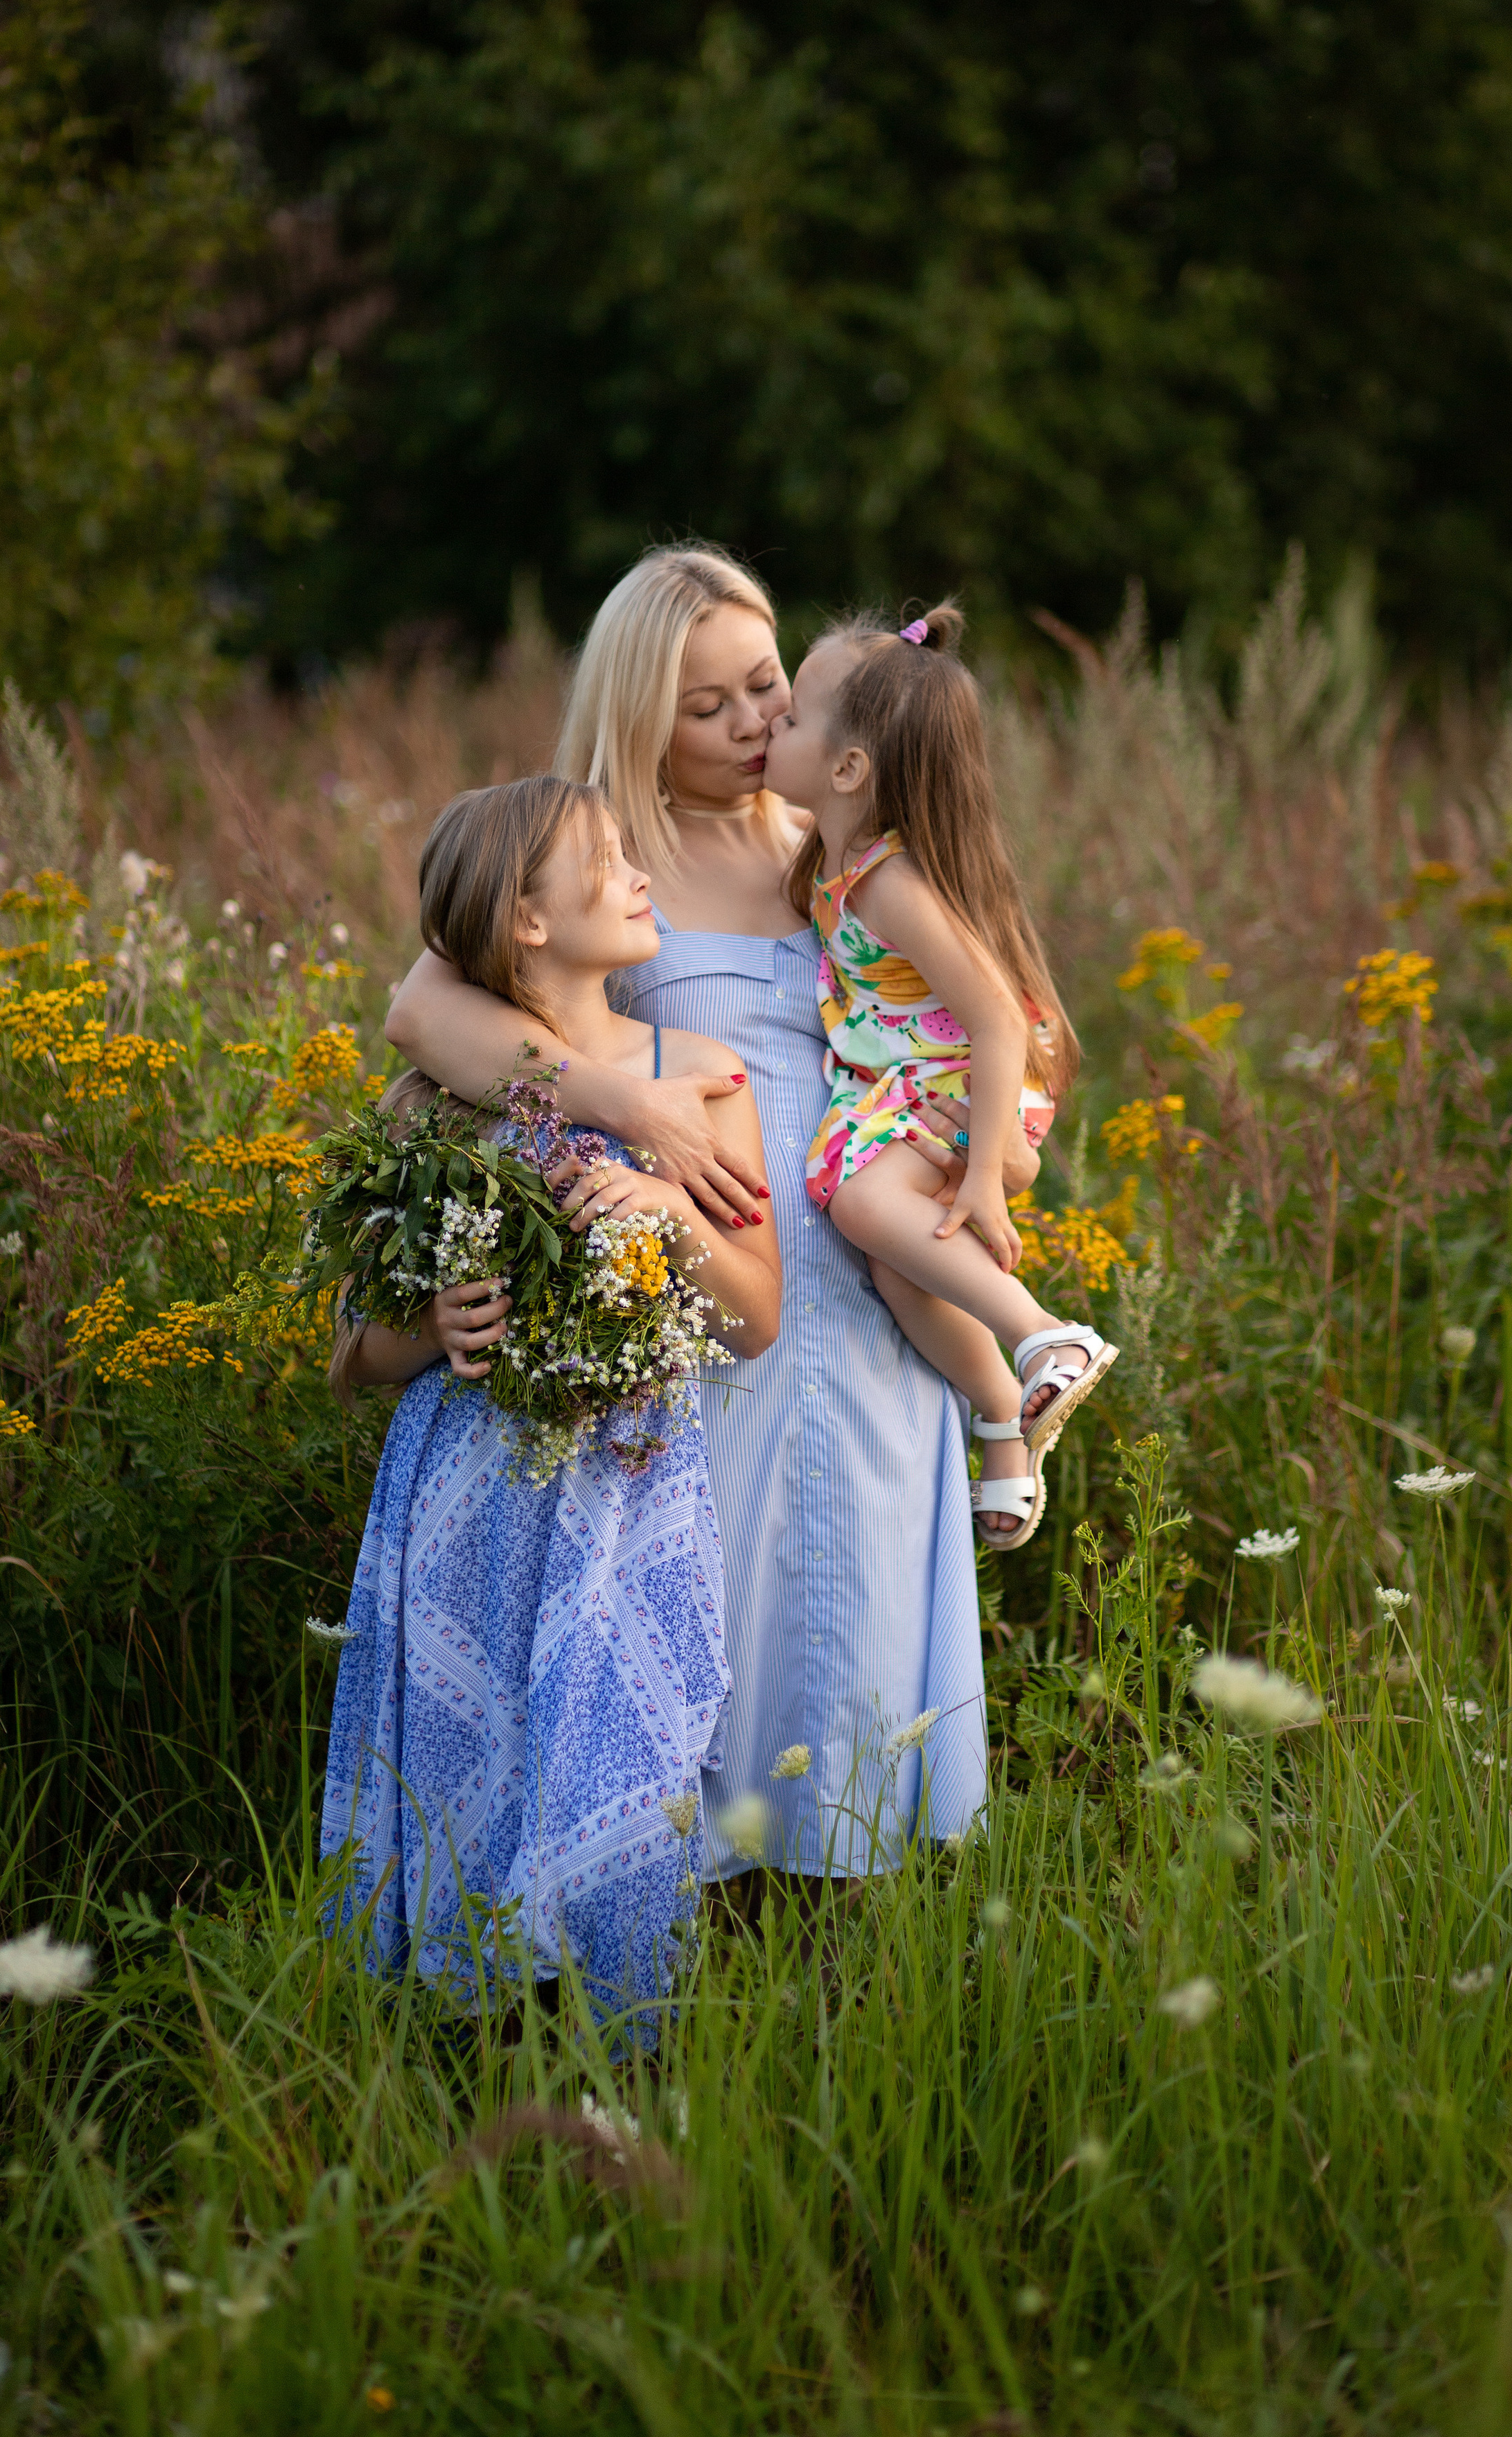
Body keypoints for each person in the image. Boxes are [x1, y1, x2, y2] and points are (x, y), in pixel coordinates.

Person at [385, 546, 1039, 1873]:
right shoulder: (594, 856)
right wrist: (623, 1103)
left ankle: (841, 1970)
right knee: (710, 1633)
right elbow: (423, 1011)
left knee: (845, 1642)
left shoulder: (833, 844)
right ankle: (681, 1943)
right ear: (639, 716)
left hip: (863, 1286)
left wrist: (991, 1146)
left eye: (769, 690)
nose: (754, 726)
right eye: (710, 707)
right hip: (705, 1301)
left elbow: (992, 1001)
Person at [322, 773, 779, 2024]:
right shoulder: (434, 1102)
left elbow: (755, 1319)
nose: (640, 874)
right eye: (607, 857)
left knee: (629, 1765)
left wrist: (674, 1211)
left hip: (627, 1491)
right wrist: (431, 1326)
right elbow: (349, 1354)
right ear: (527, 919)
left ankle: (624, 2052)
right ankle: (465, 2054)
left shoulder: (697, 1079)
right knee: (474, 1781)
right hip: (465, 1502)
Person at [762, 604, 1116, 1549]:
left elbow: (1000, 1017)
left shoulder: (887, 881)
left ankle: (1046, 1335)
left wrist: (988, 1176)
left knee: (857, 1201)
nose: (770, 726)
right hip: (915, 1079)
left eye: (789, 716)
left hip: (964, 1075)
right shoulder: (834, 863)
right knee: (898, 1258)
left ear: (847, 770)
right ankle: (1004, 1419)